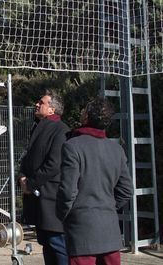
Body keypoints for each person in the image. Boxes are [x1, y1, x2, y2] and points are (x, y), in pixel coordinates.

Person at [56, 98, 132, 265]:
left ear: (86, 117)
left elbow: (68, 191)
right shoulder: (116, 149)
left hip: (82, 230)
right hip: (110, 230)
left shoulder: (72, 146)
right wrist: (108, 207)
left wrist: (64, 214)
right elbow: (126, 189)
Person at [19, 92, 70, 265]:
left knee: (57, 244)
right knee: (46, 244)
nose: (36, 104)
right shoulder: (39, 126)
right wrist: (22, 176)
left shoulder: (61, 130)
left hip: (51, 199)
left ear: (51, 109)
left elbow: (54, 164)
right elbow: (28, 157)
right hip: (38, 198)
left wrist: (30, 183)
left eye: (41, 102)